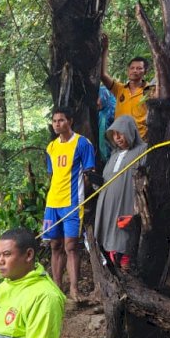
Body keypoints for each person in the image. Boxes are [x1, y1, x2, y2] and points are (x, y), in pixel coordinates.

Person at [42, 106, 97, 303]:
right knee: (55, 245)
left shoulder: (82, 143)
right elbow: (52, 175)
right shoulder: (51, 147)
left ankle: (74, 289)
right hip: (52, 203)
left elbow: (89, 173)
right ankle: (58, 289)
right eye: (54, 121)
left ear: (70, 121)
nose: (57, 124)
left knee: (71, 245)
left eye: (61, 120)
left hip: (72, 202)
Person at [93, 115, 145, 270]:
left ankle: (126, 267)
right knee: (108, 235)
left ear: (130, 131)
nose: (117, 137)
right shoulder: (114, 155)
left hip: (127, 201)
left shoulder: (143, 150)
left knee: (124, 235)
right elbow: (106, 178)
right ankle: (112, 267)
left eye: (120, 133)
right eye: (114, 134)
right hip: (108, 203)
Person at [101, 36, 152, 139]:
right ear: (128, 71)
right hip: (120, 139)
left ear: (145, 72)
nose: (135, 71)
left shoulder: (149, 89)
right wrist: (105, 49)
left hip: (140, 140)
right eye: (132, 68)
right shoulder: (120, 89)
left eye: (139, 68)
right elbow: (103, 75)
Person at [97, 83, 116, 163]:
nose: (96, 103)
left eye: (97, 98)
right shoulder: (113, 104)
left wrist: (105, 159)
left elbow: (103, 144)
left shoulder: (105, 116)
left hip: (111, 159)